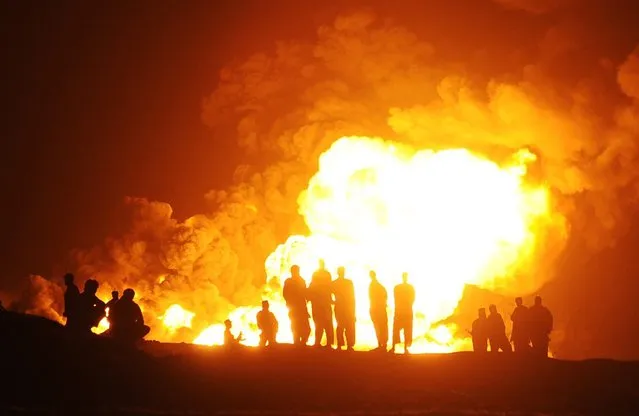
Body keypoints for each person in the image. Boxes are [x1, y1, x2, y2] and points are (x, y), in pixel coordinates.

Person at [308, 259, 334, 348]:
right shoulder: (326, 274)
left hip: (319, 303)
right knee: (325, 323)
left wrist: (310, 297)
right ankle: (327, 343)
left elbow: (312, 286)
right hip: (323, 302)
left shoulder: (317, 274)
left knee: (320, 323)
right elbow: (330, 287)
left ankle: (320, 343)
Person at [282, 265, 310, 345]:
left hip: (300, 306)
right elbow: (285, 294)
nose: (296, 272)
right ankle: (298, 342)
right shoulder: (289, 281)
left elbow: (305, 292)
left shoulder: (301, 280)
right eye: (295, 271)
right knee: (296, 324)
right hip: (295, 306)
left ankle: (302, 341)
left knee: (302, 325)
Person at [332, 266, 356, 351]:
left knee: (340, 326)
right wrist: (353, 311)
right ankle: (349, 345)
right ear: (344, 272)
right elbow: (352, 297)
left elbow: (328, 294)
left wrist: (333, 301)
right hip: (348, 307)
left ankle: (339, 345)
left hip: (339, 307)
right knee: (349, 326)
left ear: (338, 272)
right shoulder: (349, 282)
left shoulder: (334, 283)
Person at [391, 272, 415, 354]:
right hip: (403, 310)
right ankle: (395, 347)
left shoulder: (398, 288)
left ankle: (403, 348)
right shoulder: (407, 288)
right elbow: (412, 299)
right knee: (399, 330)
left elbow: (412, 299)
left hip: (403, 310)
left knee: (405, 330)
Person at [368, 270, 388, 351]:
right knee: (381, 326)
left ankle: (381, 345)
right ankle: (382, 344)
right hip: (379, 308)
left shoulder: (374, 286)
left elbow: (372, 298)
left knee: (379, 326)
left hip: (377, 308)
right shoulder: (380, 286)